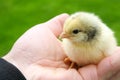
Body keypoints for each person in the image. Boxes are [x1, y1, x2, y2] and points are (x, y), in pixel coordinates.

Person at [0, 13, 120, 80]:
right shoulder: (71, 43)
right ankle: (76, 62)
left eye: (75, 32)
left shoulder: (104, 42)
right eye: (65, 31)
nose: (62, 35)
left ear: (89, 34)